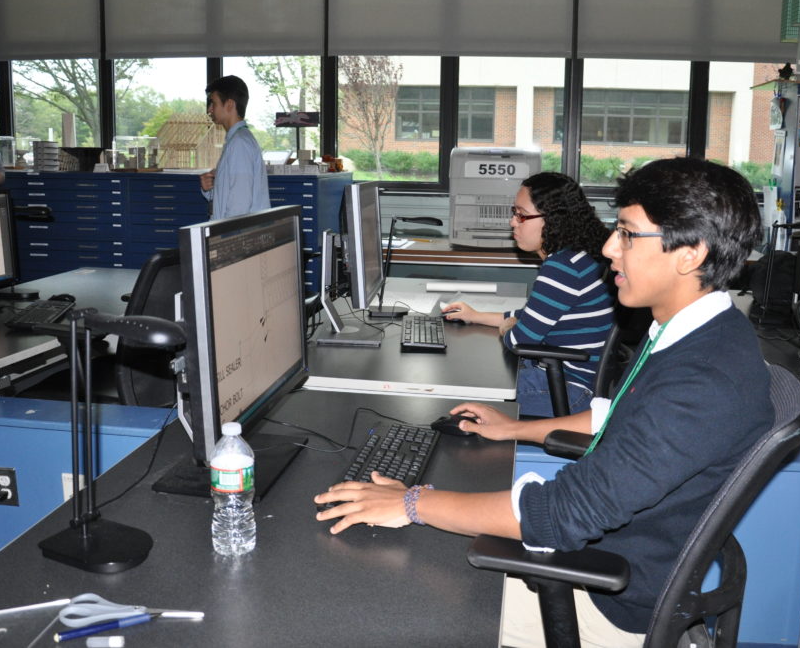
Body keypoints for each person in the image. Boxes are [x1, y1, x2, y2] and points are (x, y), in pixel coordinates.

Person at [315, 157, 774, 647]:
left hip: (606, 596)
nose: (608, 247)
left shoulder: (702, 380)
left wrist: (412, 502)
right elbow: (615, 418)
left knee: (372, 589)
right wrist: (512, 428)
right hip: (606, 559)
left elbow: (561, 514)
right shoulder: (695, 333)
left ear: (690, 254)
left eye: (626, 234)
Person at [441, 172, 613, 416]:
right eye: (514, 212)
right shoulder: (578, 257)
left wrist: (509, 327)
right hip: (569, 382)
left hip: (567, 391)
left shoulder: (562, 268)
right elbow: (528, 316)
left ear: (552, 219)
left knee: (454, 390)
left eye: (521, 215)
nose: (513, 222)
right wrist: (475, 315)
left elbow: (518, 340)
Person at [198, 75, 270, 219]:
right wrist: (209, 189)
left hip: (236, 230)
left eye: (213, 103)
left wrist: (223, 232)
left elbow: (240, 206)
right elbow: (229, 196)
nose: (210, 109)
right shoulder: (236, 140)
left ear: (229, 104)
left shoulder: (239, 143)